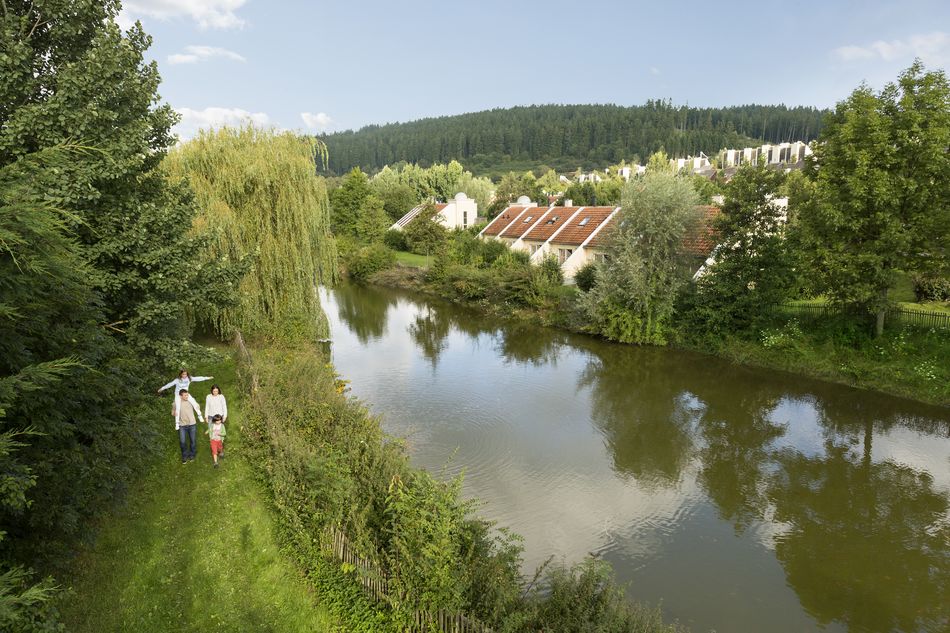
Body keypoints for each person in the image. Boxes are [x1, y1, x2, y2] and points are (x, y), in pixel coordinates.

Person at [174, 389, 204, 464]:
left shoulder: (191, 400)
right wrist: (174, 413)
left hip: (192, 424)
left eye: (187, 395)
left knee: (192, 441)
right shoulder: (176, 402)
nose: (187, 396)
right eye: (185, 395)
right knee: (182, 441)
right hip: (182, 425)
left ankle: (192, 455)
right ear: (181, 396)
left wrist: (198, 407)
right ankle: (184, 456)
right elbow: (173, 412)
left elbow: (197, 406)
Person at [204, 384, 228, 457]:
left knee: (220, 432)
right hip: (211, 417)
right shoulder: (208, 396)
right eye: (214, 391)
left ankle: (220, 449)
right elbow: (207, 406)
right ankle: (214, 448)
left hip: (219, 417)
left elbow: (224, 406)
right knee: (212, 432)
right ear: (212, 391)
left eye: (217, 391)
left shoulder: (221, 396)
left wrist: (225, 415)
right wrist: (206, 416)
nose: (215, 392)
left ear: (218, 391)